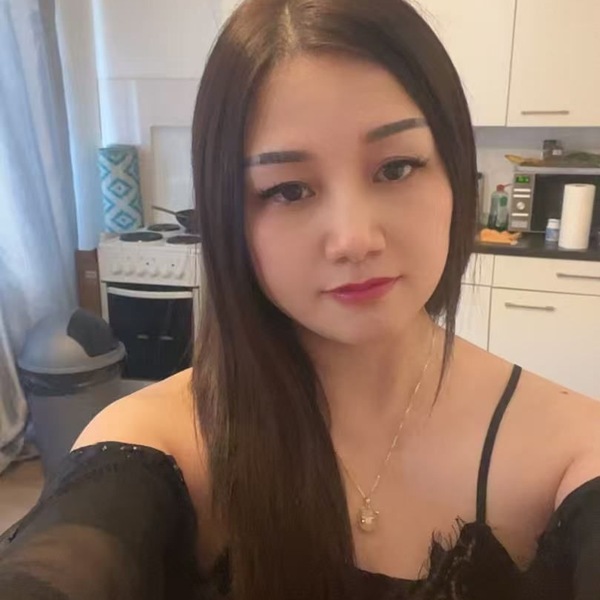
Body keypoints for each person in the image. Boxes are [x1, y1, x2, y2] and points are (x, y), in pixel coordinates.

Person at [1, 0, 600, 598]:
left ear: (455, 172)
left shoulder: (573, 448)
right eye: (288, 190)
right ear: (230, 218)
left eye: (396, 169)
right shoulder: (158, 441)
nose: (354, 240)